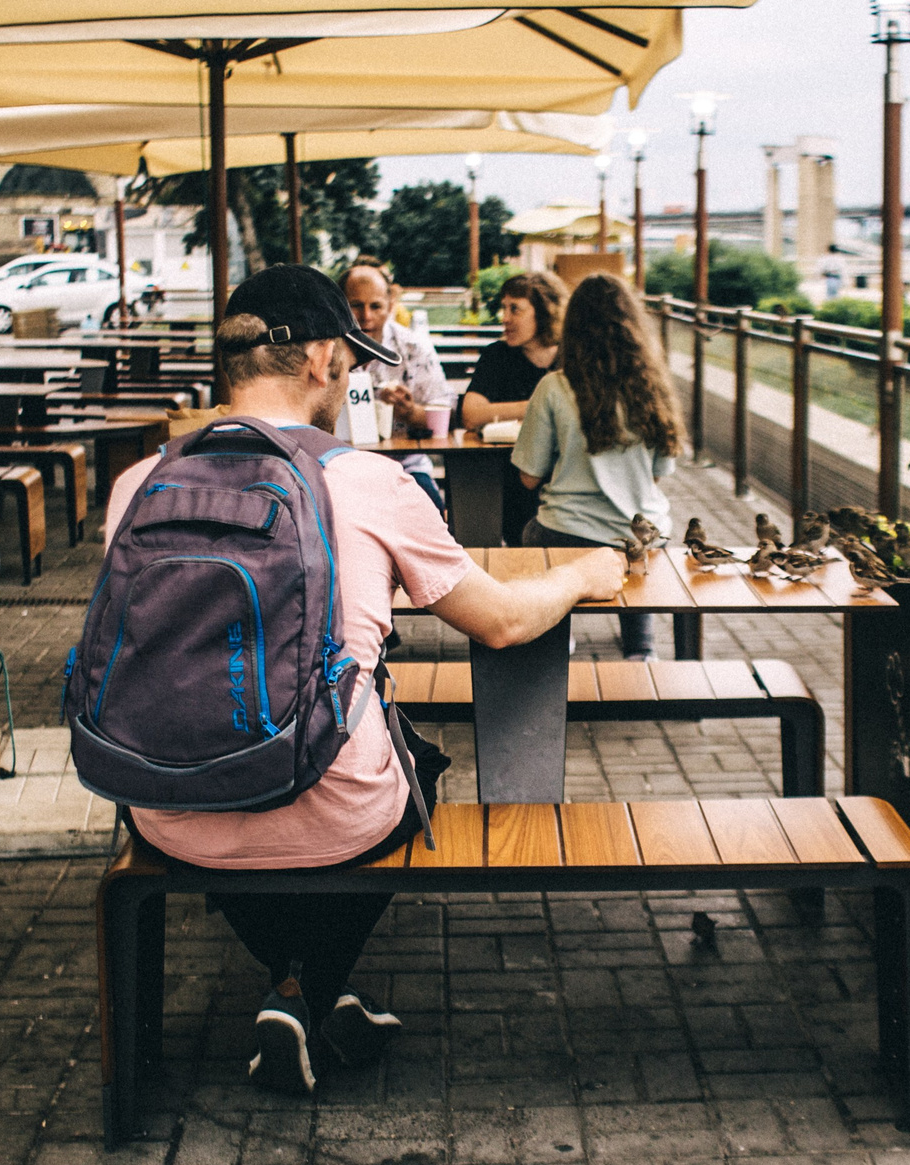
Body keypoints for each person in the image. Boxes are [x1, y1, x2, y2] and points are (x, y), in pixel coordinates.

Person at [99, 264, 625, 1096]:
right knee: (419, 776)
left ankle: (301, 985)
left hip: (166, 805)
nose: (354, 377)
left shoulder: (136, 485)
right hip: (329, 807)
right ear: (318, 361)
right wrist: (586, 573)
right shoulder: (372, 481)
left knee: (291, 789)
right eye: (350, 359)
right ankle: (302, 988)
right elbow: (501, 622)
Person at [510, 273, 684, 660]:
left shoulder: (554, 387)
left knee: (530, 533)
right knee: (634, 545)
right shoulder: (653, 388)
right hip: (646, 535)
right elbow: (658, 474)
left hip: (566, 533)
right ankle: (641, 646)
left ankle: (556, 632)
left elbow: (528, 476)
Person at [461, 269, 565, 542]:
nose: (504, 318)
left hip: (565, 483)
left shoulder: (573, 356)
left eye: (515, 309)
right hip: (512, 480)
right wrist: (540, 407)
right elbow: (471, 415)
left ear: (543, 313)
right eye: (503, 308)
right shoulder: (498, 355)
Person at [339, 258, 453, 507]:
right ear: (340, 305)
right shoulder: (325, 349)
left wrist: (411, 412)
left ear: (390, 306)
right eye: (356, 306)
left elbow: (446, 413)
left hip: (404, 469)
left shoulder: (413, 347)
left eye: (376, 306)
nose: (366, 316)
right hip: (340, 468)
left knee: (431, 510)